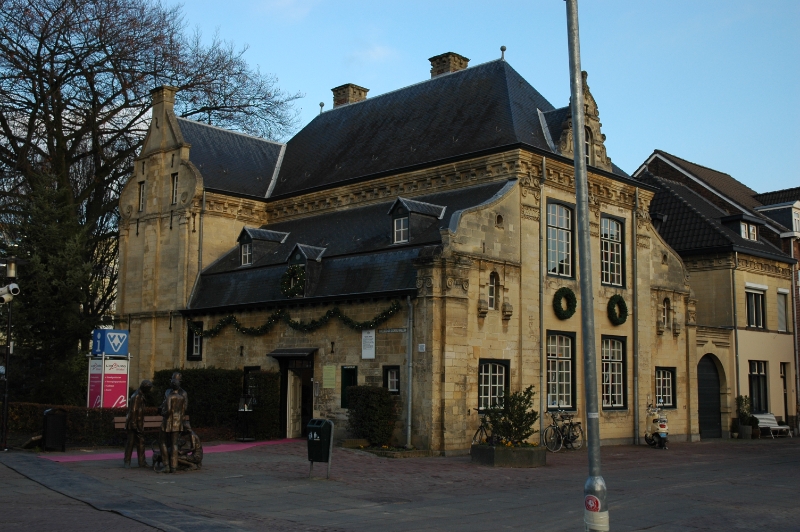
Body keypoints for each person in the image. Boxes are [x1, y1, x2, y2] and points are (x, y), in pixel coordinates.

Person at [157, 372, 187, 473]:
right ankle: (173, 465)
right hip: (176, 421)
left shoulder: (182, 393)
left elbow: (170, 409)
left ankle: (168, 465)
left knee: (163, 442)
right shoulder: (169, 392)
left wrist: (164, 412)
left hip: (170, 420)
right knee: (173, 444)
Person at [124, 380, 152, 468]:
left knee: (141, 442)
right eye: (149, 389)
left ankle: (142, 462)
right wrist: (133, 423)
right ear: (145, 388)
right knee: (131, 442)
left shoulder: (140, 395)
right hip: (134, 423)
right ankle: (127, 462)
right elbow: (133, 410)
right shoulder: (136, 396)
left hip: (138, 423)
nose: (149, 391)